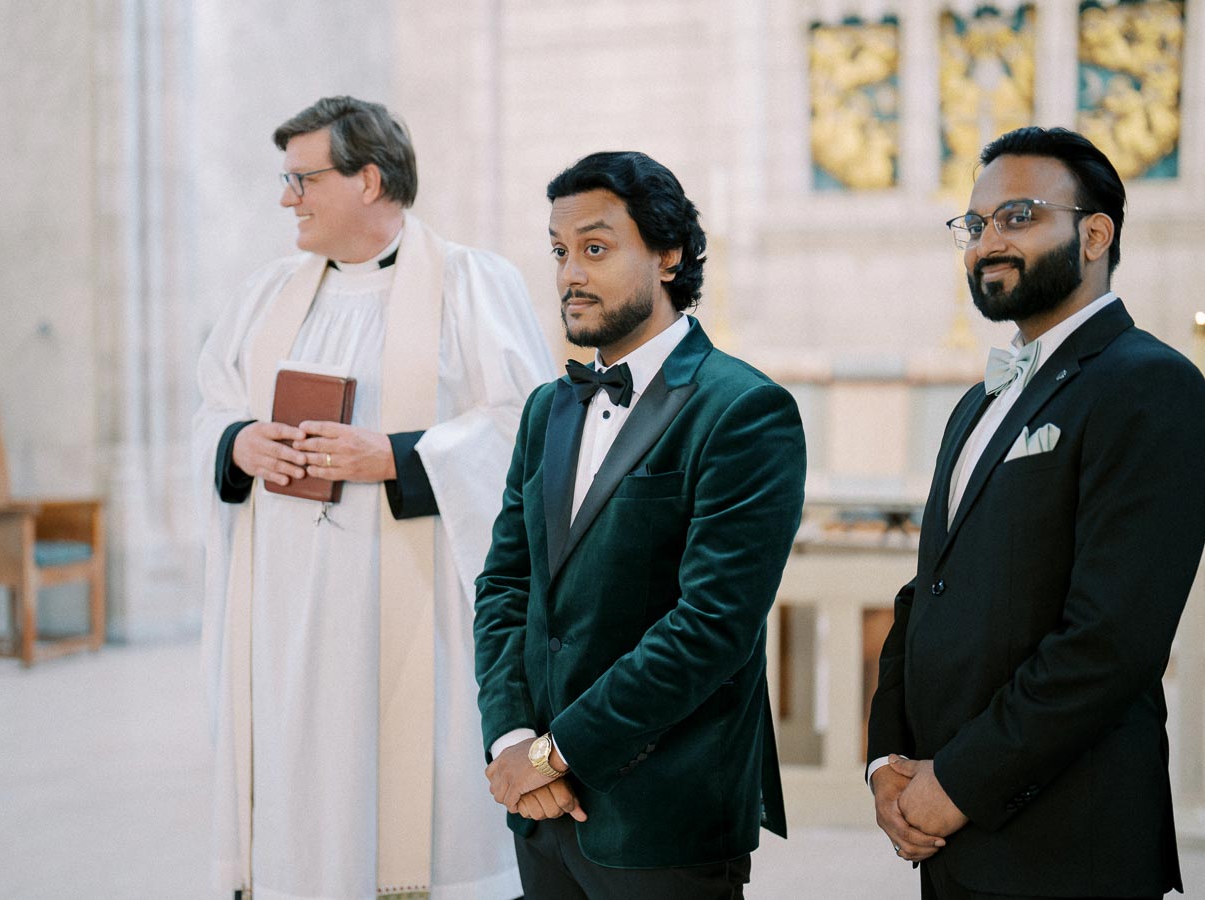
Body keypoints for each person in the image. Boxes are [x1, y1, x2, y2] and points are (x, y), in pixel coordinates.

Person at [193, 95, 553, 900]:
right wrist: (236, 442)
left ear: (367, 179)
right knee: (299, 797)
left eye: (302, 179)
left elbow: (527, 429)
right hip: (283, 623)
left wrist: (397, 457)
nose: (287, 197)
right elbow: (211, 406)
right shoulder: (266, 296)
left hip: (410, 611)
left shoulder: (469, 284)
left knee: (402, 803)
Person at [867, 126, 1205, 900]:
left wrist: (954, 784)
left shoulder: (1150, 385)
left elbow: (1110, 641)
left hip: (1067, 845)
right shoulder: (975, 404)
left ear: (1094, 233)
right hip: (949, 840)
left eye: (1019, 215)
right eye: (976, 223)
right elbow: (930, 591)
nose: (988, 241)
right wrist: (887, 760)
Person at [472, 150, 807, 898]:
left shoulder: (743, 409)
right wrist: (513, 739)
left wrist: (559, 755)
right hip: (542, 815)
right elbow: (504, 585)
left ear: (668, 254)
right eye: (559, 252)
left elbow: (711, 627)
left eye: (595, 248)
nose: (569, 275)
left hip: (664, 812)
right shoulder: (547, 408)